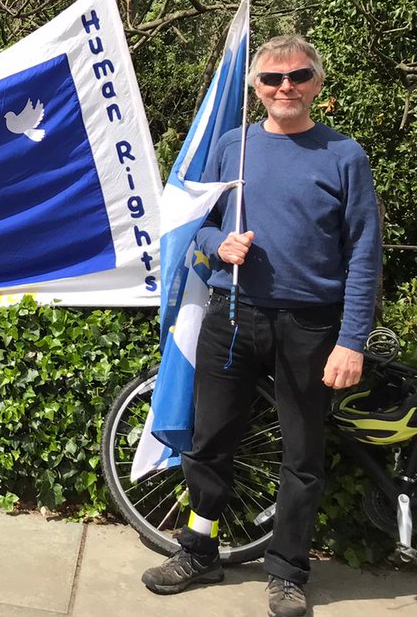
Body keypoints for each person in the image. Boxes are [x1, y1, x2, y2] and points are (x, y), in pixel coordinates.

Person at [141, 36, 382, 617]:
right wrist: (217, 243)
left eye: (298, 76)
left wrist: (350, 340)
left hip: (308, 326)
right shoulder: (235, 147)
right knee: (209, 442)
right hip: (232, 315)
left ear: (317, 84)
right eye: (272, 80)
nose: (285, 87)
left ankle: (288, 571)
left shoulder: (343, 155)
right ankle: (200, 548)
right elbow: (196, 225)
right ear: (256, 90)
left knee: (301, 456)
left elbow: (365, 254)